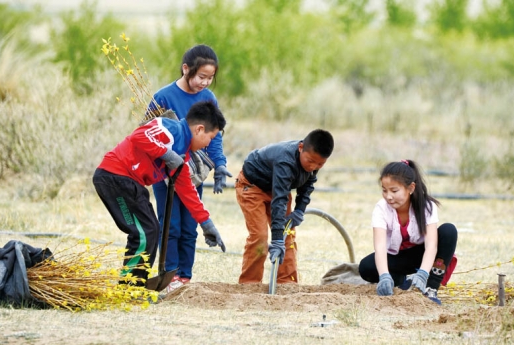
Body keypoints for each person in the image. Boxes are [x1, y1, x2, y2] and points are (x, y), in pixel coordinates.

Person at [92, 101, 227, 286]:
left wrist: (206, 224)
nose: (208, 144)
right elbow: (139, 135)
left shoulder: (183, 155)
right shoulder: (170, 128)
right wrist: (167, 154)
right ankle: (130, 287)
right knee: (144, 232)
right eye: (210, 138)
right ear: (199, 129)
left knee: (150, 229)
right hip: (115, 176)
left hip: (130, 183)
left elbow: (187, 190)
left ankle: (133, 285)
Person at [148, 44, 231, 293]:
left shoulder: (209, 98)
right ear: (186, 69)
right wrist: (166, 157)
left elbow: (214, 136)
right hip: (165, 172)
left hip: (193, 172)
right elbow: (147, 133)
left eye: (210, 78)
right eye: (201, 76)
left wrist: (220, 165)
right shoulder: (162, 97)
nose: (205, 83)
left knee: (189, 225)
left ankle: (185, 276)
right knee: (169, 224)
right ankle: (169, 273)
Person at [236, 129, 335, 284]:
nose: (313, 167)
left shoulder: (312, 164)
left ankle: (286, 283)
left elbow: (307, 184)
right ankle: (249, 284)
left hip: (278, 188)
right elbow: (279, 200)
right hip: (252, 187)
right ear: (301, 147)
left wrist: (300, 210)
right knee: (260, 237)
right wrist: (276, 240)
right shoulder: (285, 160)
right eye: (310, 161)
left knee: (287, 235)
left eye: (320, 164)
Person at [358, 159, 458, 305]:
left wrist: (423, 273)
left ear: (410, 188)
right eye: (384, 190)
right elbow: (380, 247)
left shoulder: (427, 206)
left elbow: (431, 246)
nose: (388, 196)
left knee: (449, 231)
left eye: (394, 191)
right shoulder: (381, 208)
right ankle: (399, 280)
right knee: (366, 267)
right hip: (398, 257)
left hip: (423, 255)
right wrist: (384, 275)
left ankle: (431, 288)